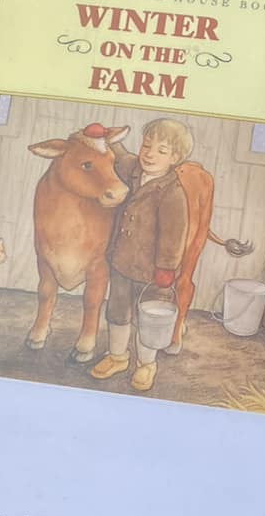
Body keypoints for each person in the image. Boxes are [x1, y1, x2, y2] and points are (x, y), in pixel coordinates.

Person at [90, 119, 250, 393]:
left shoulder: (173, 192)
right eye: (147, 145)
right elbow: (122, 157)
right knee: (117, 312)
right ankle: (117, 357)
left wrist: (166, 268)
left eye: (161, 150)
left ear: (175, 158)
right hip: (122, 262)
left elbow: (174, 235)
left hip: (154, 273)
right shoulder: (134, 169)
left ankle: (146, 364)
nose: (150, 154)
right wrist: (108, 138)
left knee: (149, 319)